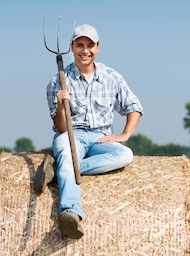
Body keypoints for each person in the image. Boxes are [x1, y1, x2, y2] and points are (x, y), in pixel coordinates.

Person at [35, 23, 143, 239]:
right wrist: (60, 104)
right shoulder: (57, 82)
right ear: (72, 47)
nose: (85, 50)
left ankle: (58, 170)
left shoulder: (111, 77)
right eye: (79, 45)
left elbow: (134, 107)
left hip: (100, 137)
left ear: (98, 48)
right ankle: (71, 212)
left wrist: (125, 135)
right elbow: (61, 127)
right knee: (67, 153)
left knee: (125, 155)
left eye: (90, 45)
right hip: (70, 134)